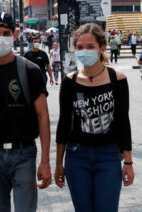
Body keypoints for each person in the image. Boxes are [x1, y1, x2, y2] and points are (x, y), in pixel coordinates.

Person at [0, 12, 52, 212]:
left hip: (24, 155)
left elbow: (43, 116)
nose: (1, 38)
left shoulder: (31, 71)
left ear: (14, 35)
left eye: (6, 33)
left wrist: (45, 161)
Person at [55, 23, 134, 212]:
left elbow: (123, 122)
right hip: (77, 157)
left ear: (102, 48)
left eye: (90, 47)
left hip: (108, 156)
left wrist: (129, 162)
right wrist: (58, 163)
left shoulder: (118, 79)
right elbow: (64, 124)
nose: (84, 51)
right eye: (80, 47)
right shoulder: (69, 82)